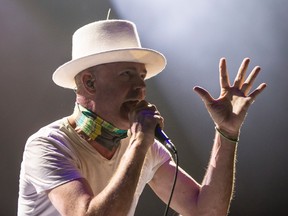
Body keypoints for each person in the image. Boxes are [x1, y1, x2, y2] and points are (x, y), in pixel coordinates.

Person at [17, 19, 266, 216]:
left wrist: (227, 132)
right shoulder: (48, 145)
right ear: (89, 82)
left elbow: (206, 212)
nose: (141, 88)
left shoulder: (144, 146)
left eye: (142, 77)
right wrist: (139, 144)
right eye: (127, 74)